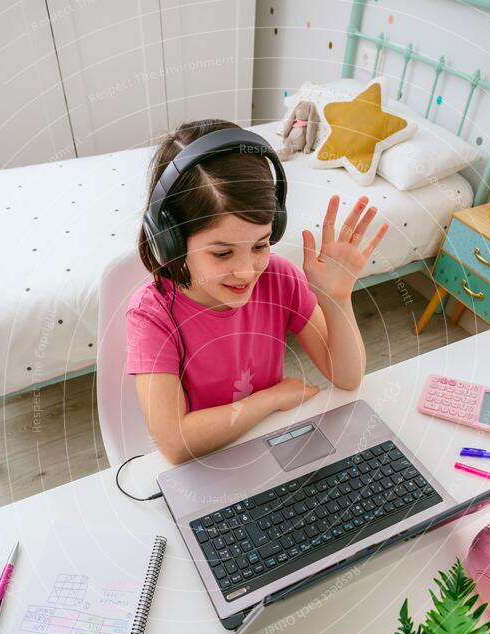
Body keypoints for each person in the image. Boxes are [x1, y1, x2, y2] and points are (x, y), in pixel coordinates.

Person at [126, 118, 388, 465]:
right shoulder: (152, 314)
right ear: (170, 242)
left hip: (272, 443)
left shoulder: (278, 276)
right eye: (222, 253)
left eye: (261, 245)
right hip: (207, 464)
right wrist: (271, 399)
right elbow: (176, 444)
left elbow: (348, 377)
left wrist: (336, 298)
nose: (247, 271)